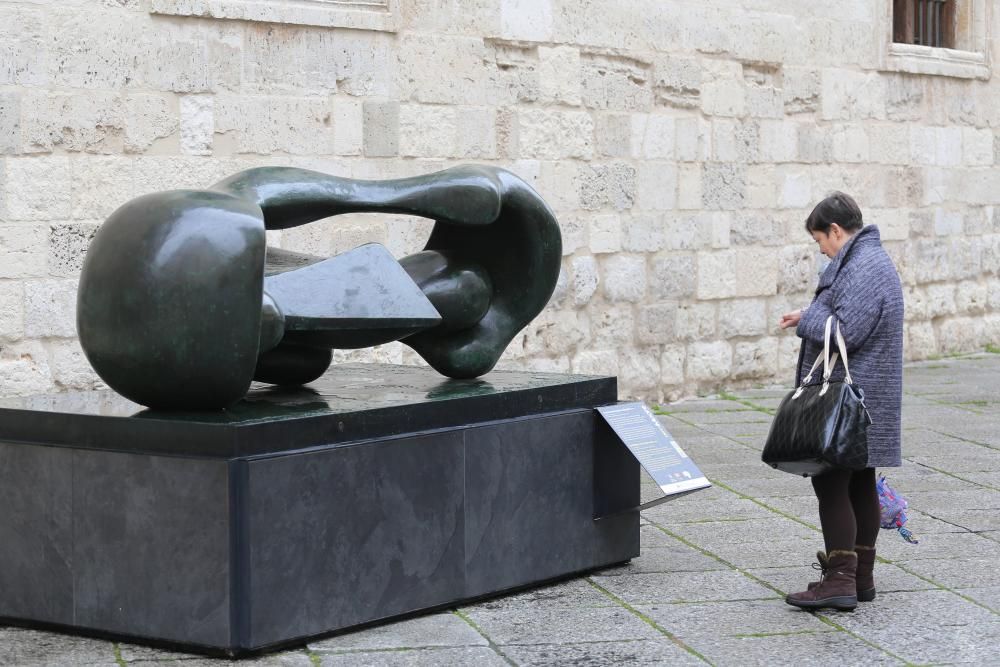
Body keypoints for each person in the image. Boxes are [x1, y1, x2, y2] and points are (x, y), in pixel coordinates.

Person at [778, 192, 904, 611]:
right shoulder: (865, 261)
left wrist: (808, 319)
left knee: (831, 481)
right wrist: (808, 313)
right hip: (865, 396)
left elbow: (847, 331)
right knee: (860, 481)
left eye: (821, 241)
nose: (821, 251)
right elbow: (848, 316)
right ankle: (860, 578)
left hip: (849, 400)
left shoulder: (864, 266)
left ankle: (840, 581)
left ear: (836, 230)